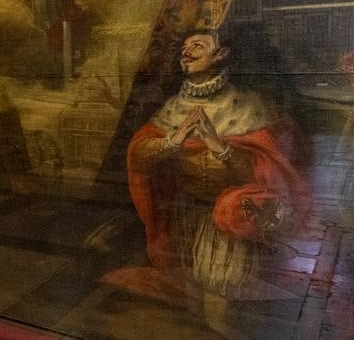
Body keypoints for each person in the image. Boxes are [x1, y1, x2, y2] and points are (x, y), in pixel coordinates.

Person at [125, 29, 310, 303]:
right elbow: (139, 158)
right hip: (184, 212)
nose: (186, 53)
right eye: (184, 49)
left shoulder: (252, 107)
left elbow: (265, 178)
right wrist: (173, 141)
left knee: (220, 289)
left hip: (230, 219)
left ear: (221, 54)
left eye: (197, 46)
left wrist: (219, 148)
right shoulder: (172, 108)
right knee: (185, 286)